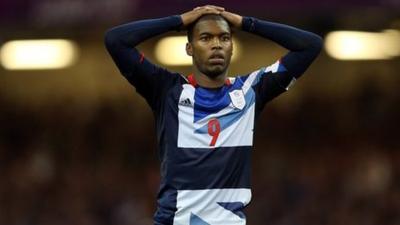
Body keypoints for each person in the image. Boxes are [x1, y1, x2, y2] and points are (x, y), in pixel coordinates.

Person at [104, 5, 322, 225]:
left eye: (224, 38)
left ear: (232, 47)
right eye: (206, 38)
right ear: (189, 48)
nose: (216, 45)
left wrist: (246, 23)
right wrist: (178, 21)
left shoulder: (251, 90)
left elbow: (310, 46)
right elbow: (116, 41)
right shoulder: (166, 90)